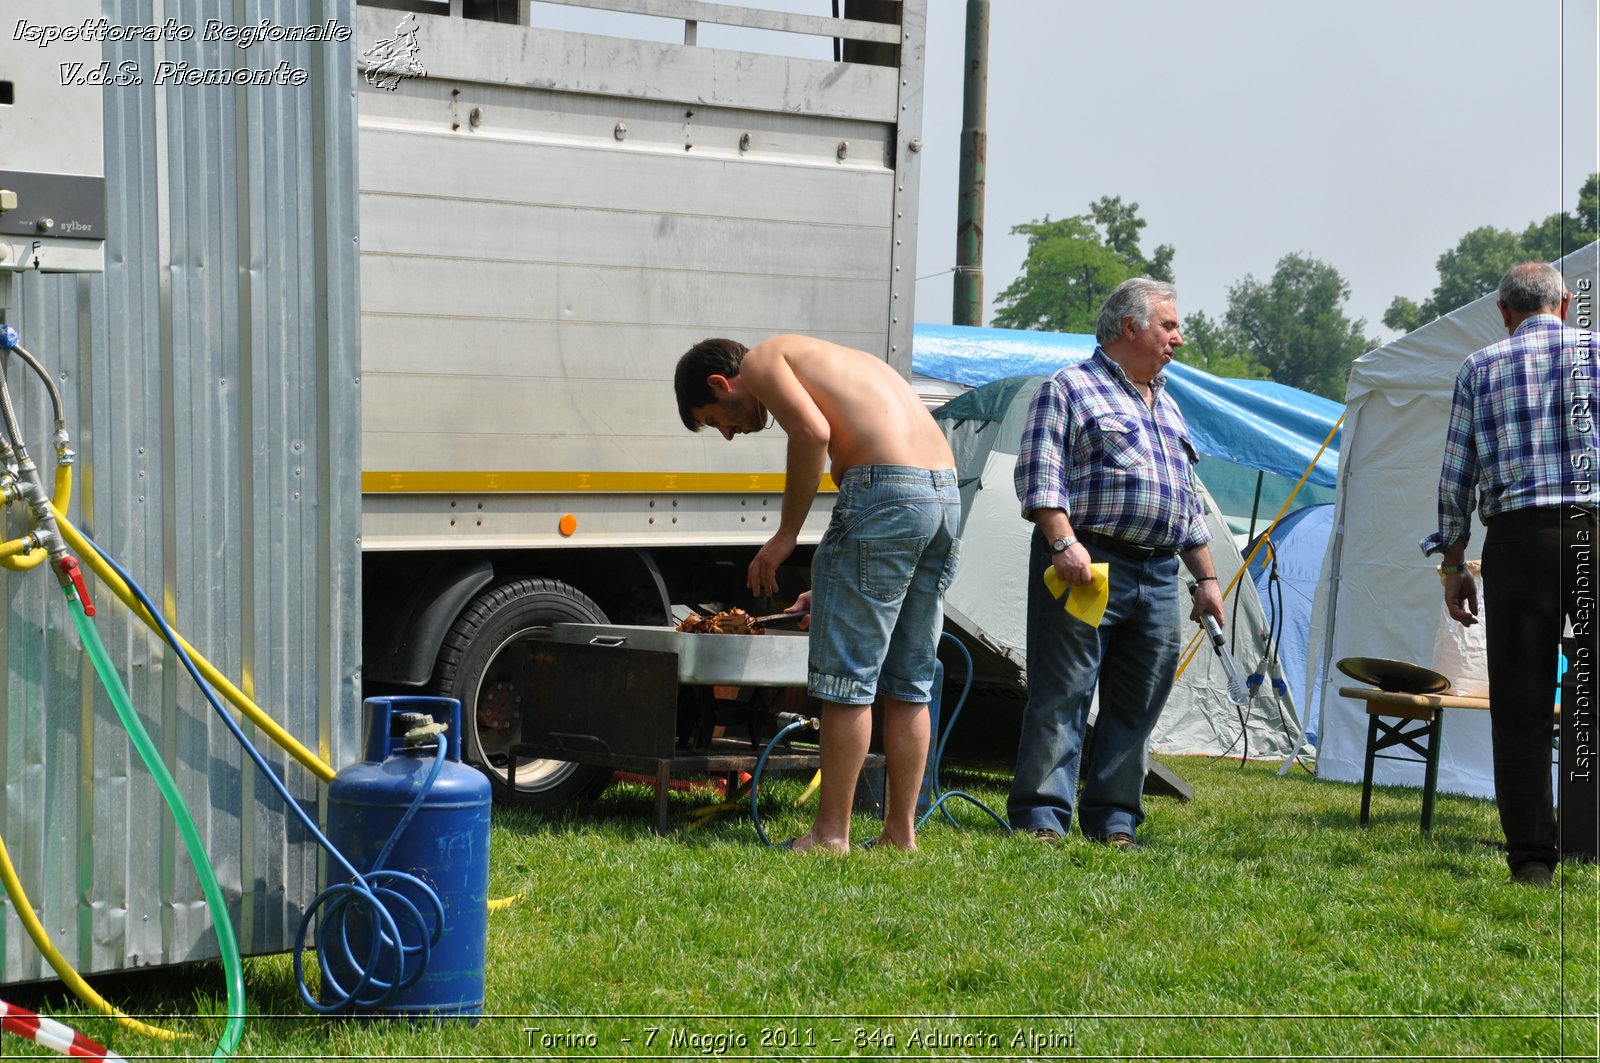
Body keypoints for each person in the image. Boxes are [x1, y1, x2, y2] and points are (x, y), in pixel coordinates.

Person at [673, 335, 961, 852]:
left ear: (722, 383)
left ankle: (829, 835)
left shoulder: (763, 361)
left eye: (719, 420)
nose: (731, 434)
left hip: (888, 491)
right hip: (943, 494)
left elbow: (812, 431)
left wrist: (785, 536)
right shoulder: (845, 360)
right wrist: (829, 588)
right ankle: (900, 834)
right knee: (910, 681)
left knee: (848, 679)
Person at [1007, 277, 1223, 848]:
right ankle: (1040, 820)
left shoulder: (1168, 403)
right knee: (1064, 691)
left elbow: (1188, 500)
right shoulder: (1069, 389)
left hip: (1157, 574)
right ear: (1131, 327)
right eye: (1169, 326)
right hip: (1088, 562)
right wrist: (1062, 542)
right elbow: (1040, 475)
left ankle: (1114, 822)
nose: (1179, 337)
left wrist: (1206, 577)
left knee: (1139, 701)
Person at [1422, 261, 1594, 887]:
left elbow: (1455, 477)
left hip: (1519, 541)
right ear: (1567, 304)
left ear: (1504, 313)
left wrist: (1452, 565)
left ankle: (1531, 861)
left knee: (1521, 705)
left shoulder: (1480, 367)